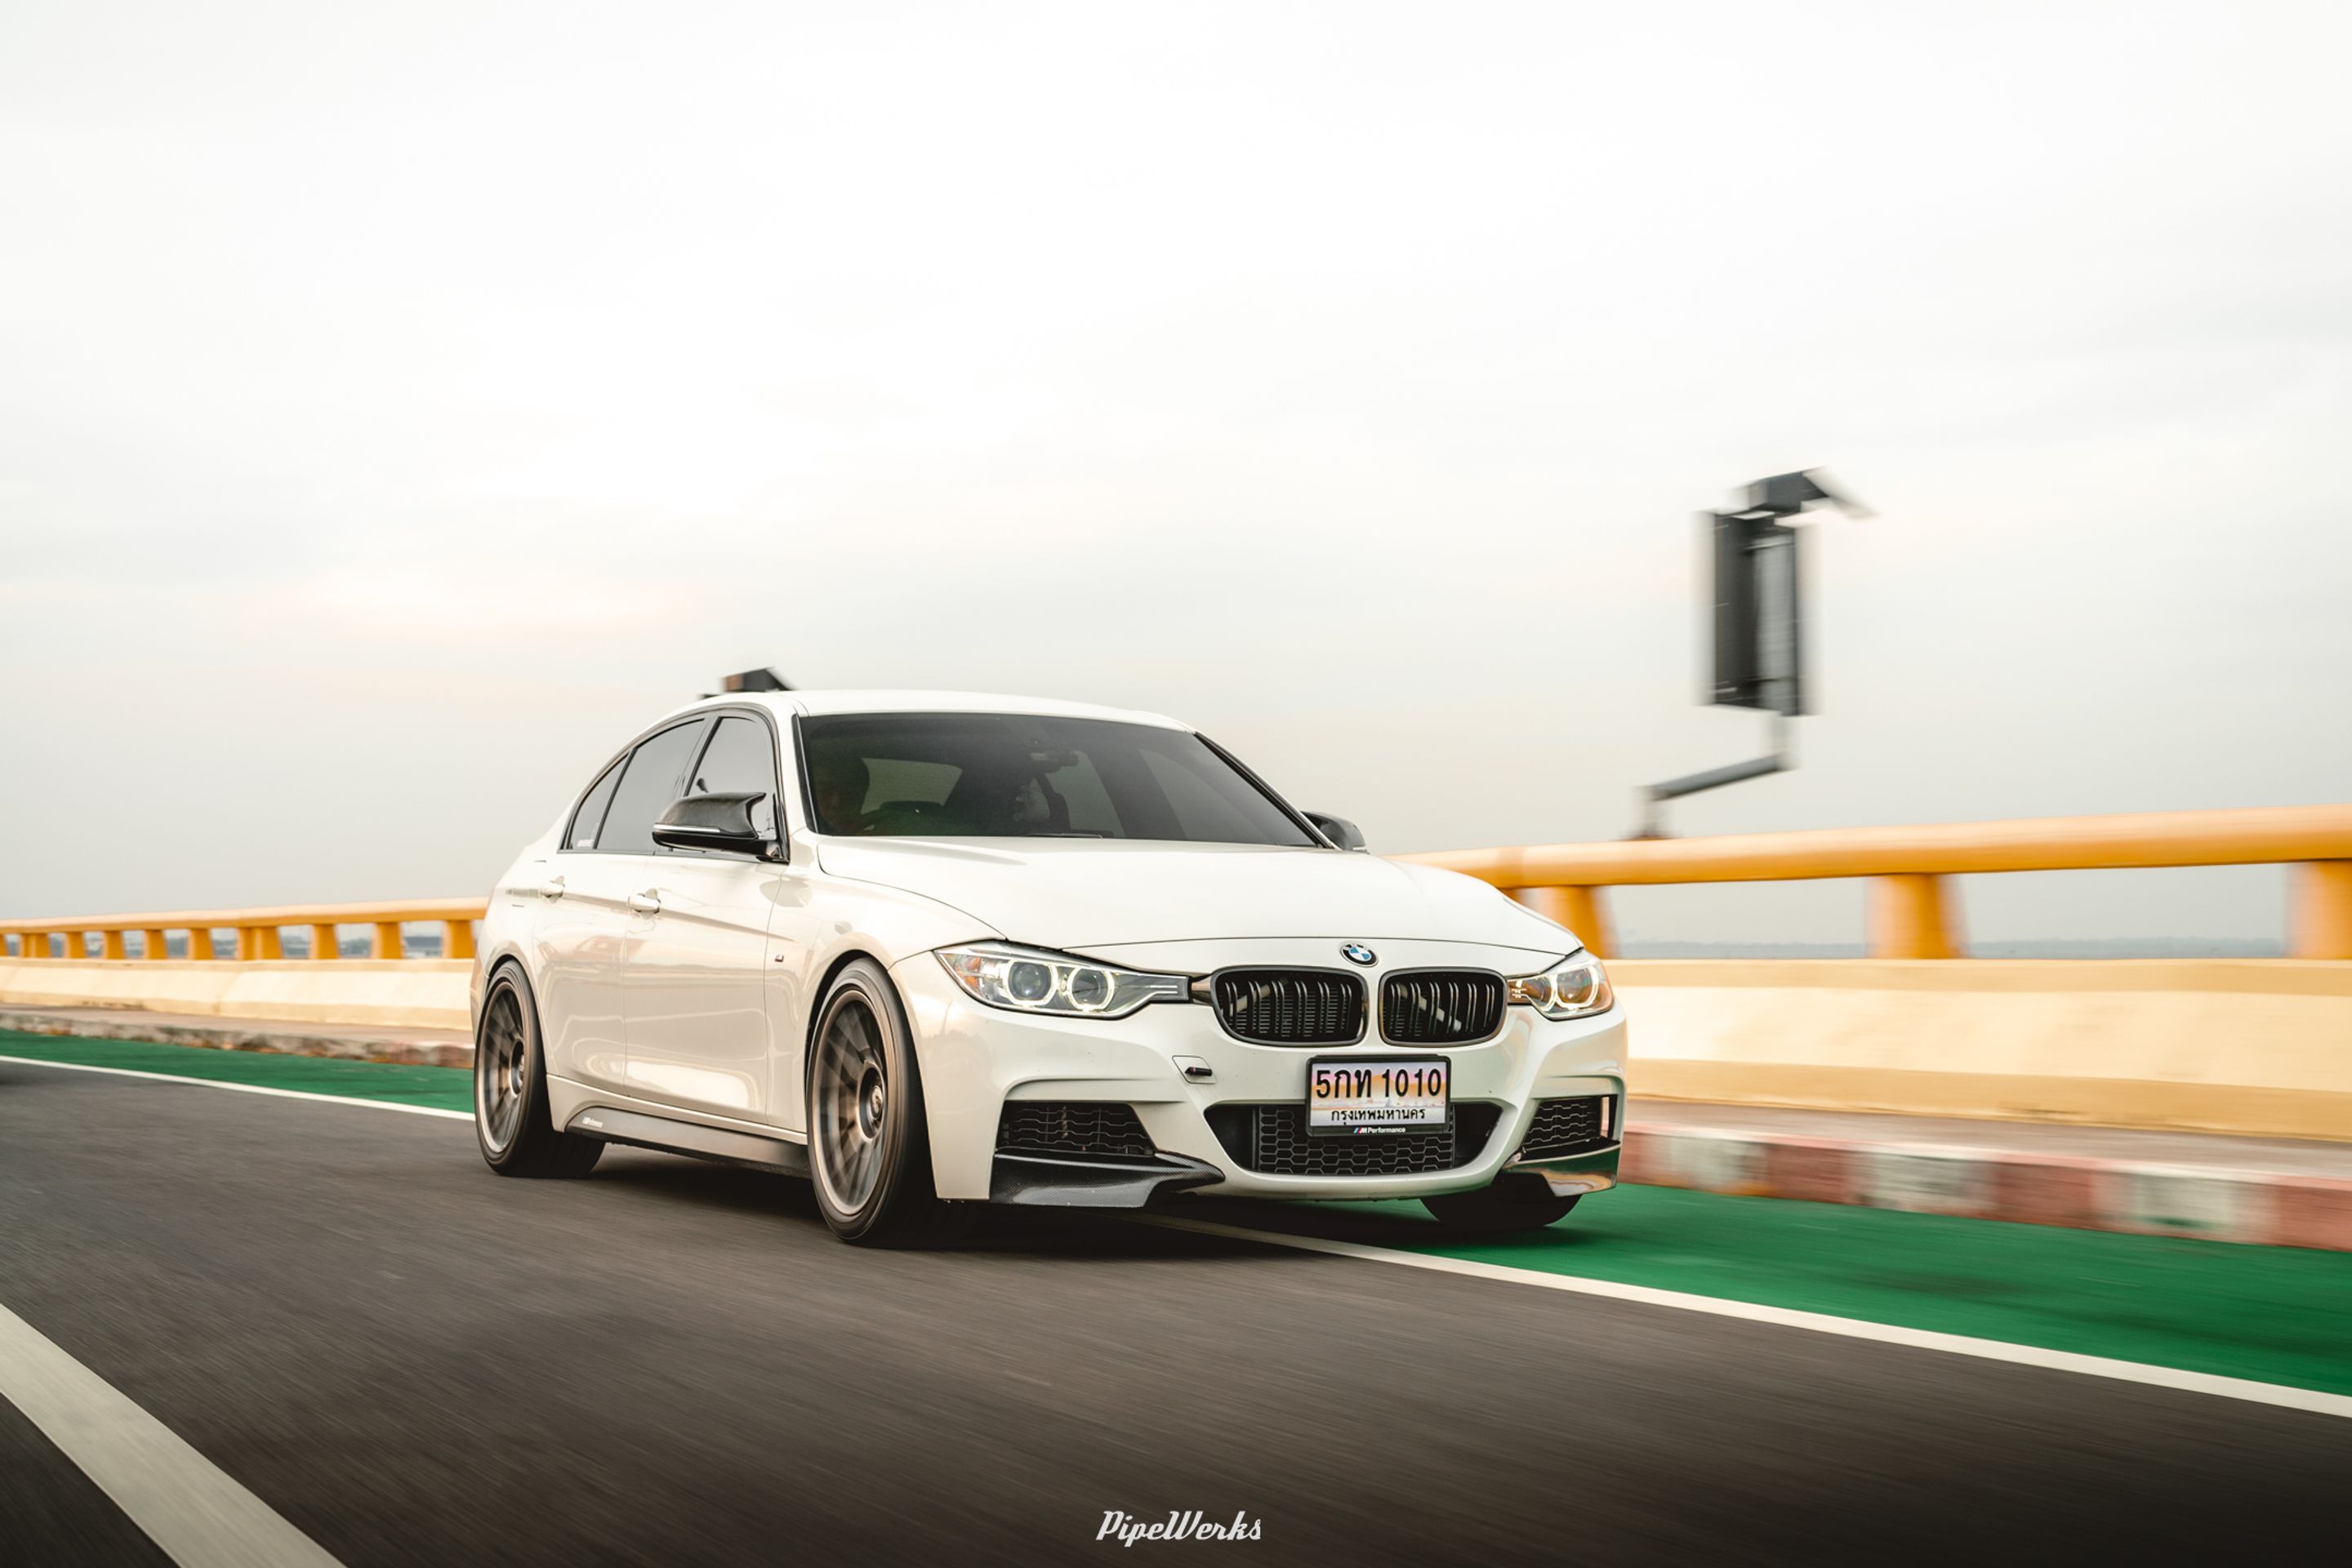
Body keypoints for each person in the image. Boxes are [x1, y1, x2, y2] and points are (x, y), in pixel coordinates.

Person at [808, 749, 874, 835]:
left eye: (849, 793)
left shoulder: (876, 842)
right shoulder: (802, 837)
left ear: (862, 798)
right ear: (808, 794)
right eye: (825, 791)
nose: (837, 802)